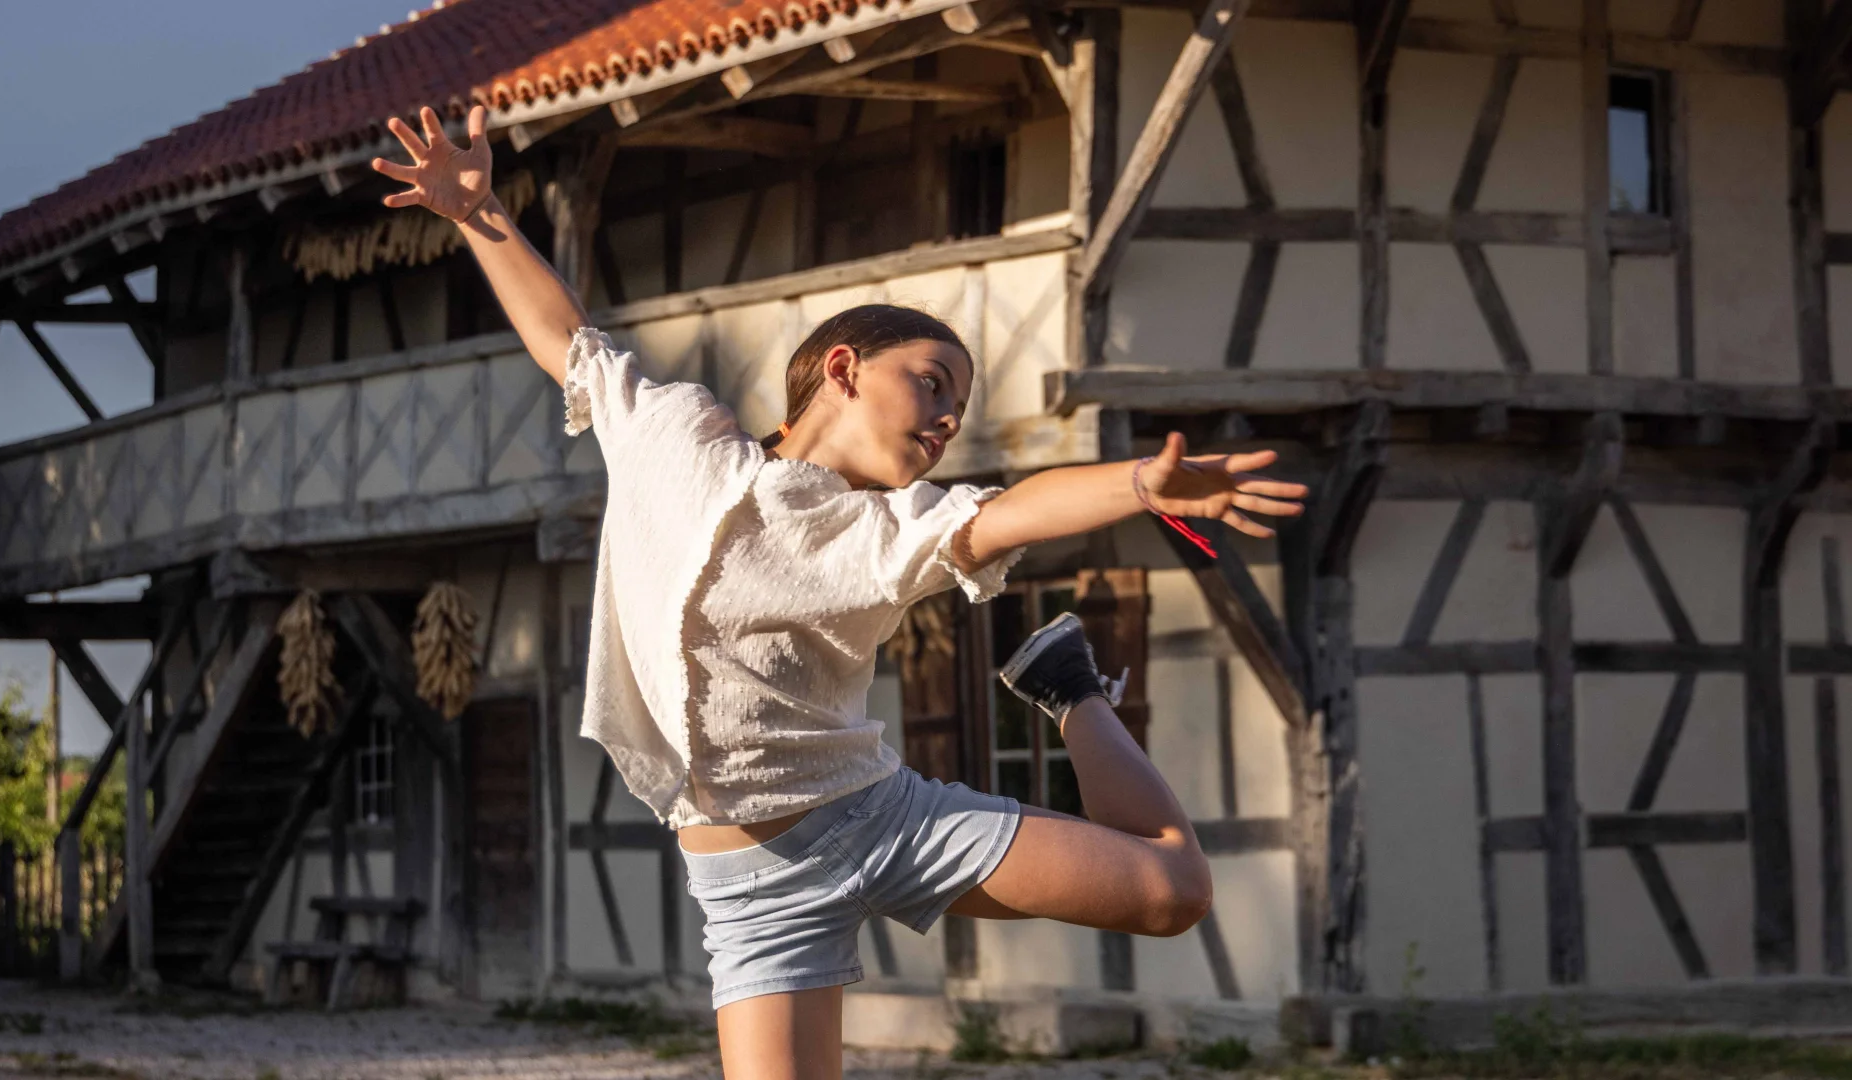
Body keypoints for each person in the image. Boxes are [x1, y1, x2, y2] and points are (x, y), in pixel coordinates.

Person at [372, 104, 1308, 1079]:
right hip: (747, 885)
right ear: (843, 368)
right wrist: (476, 213)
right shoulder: (677, 435)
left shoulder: (890, 530)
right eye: (935, 382)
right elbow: (567, 339)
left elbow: (1017, 508)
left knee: (1172, 891)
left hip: (877, 818)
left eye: (960, 404)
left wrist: (1136, 486)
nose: (948, 418)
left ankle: (1071, 691)